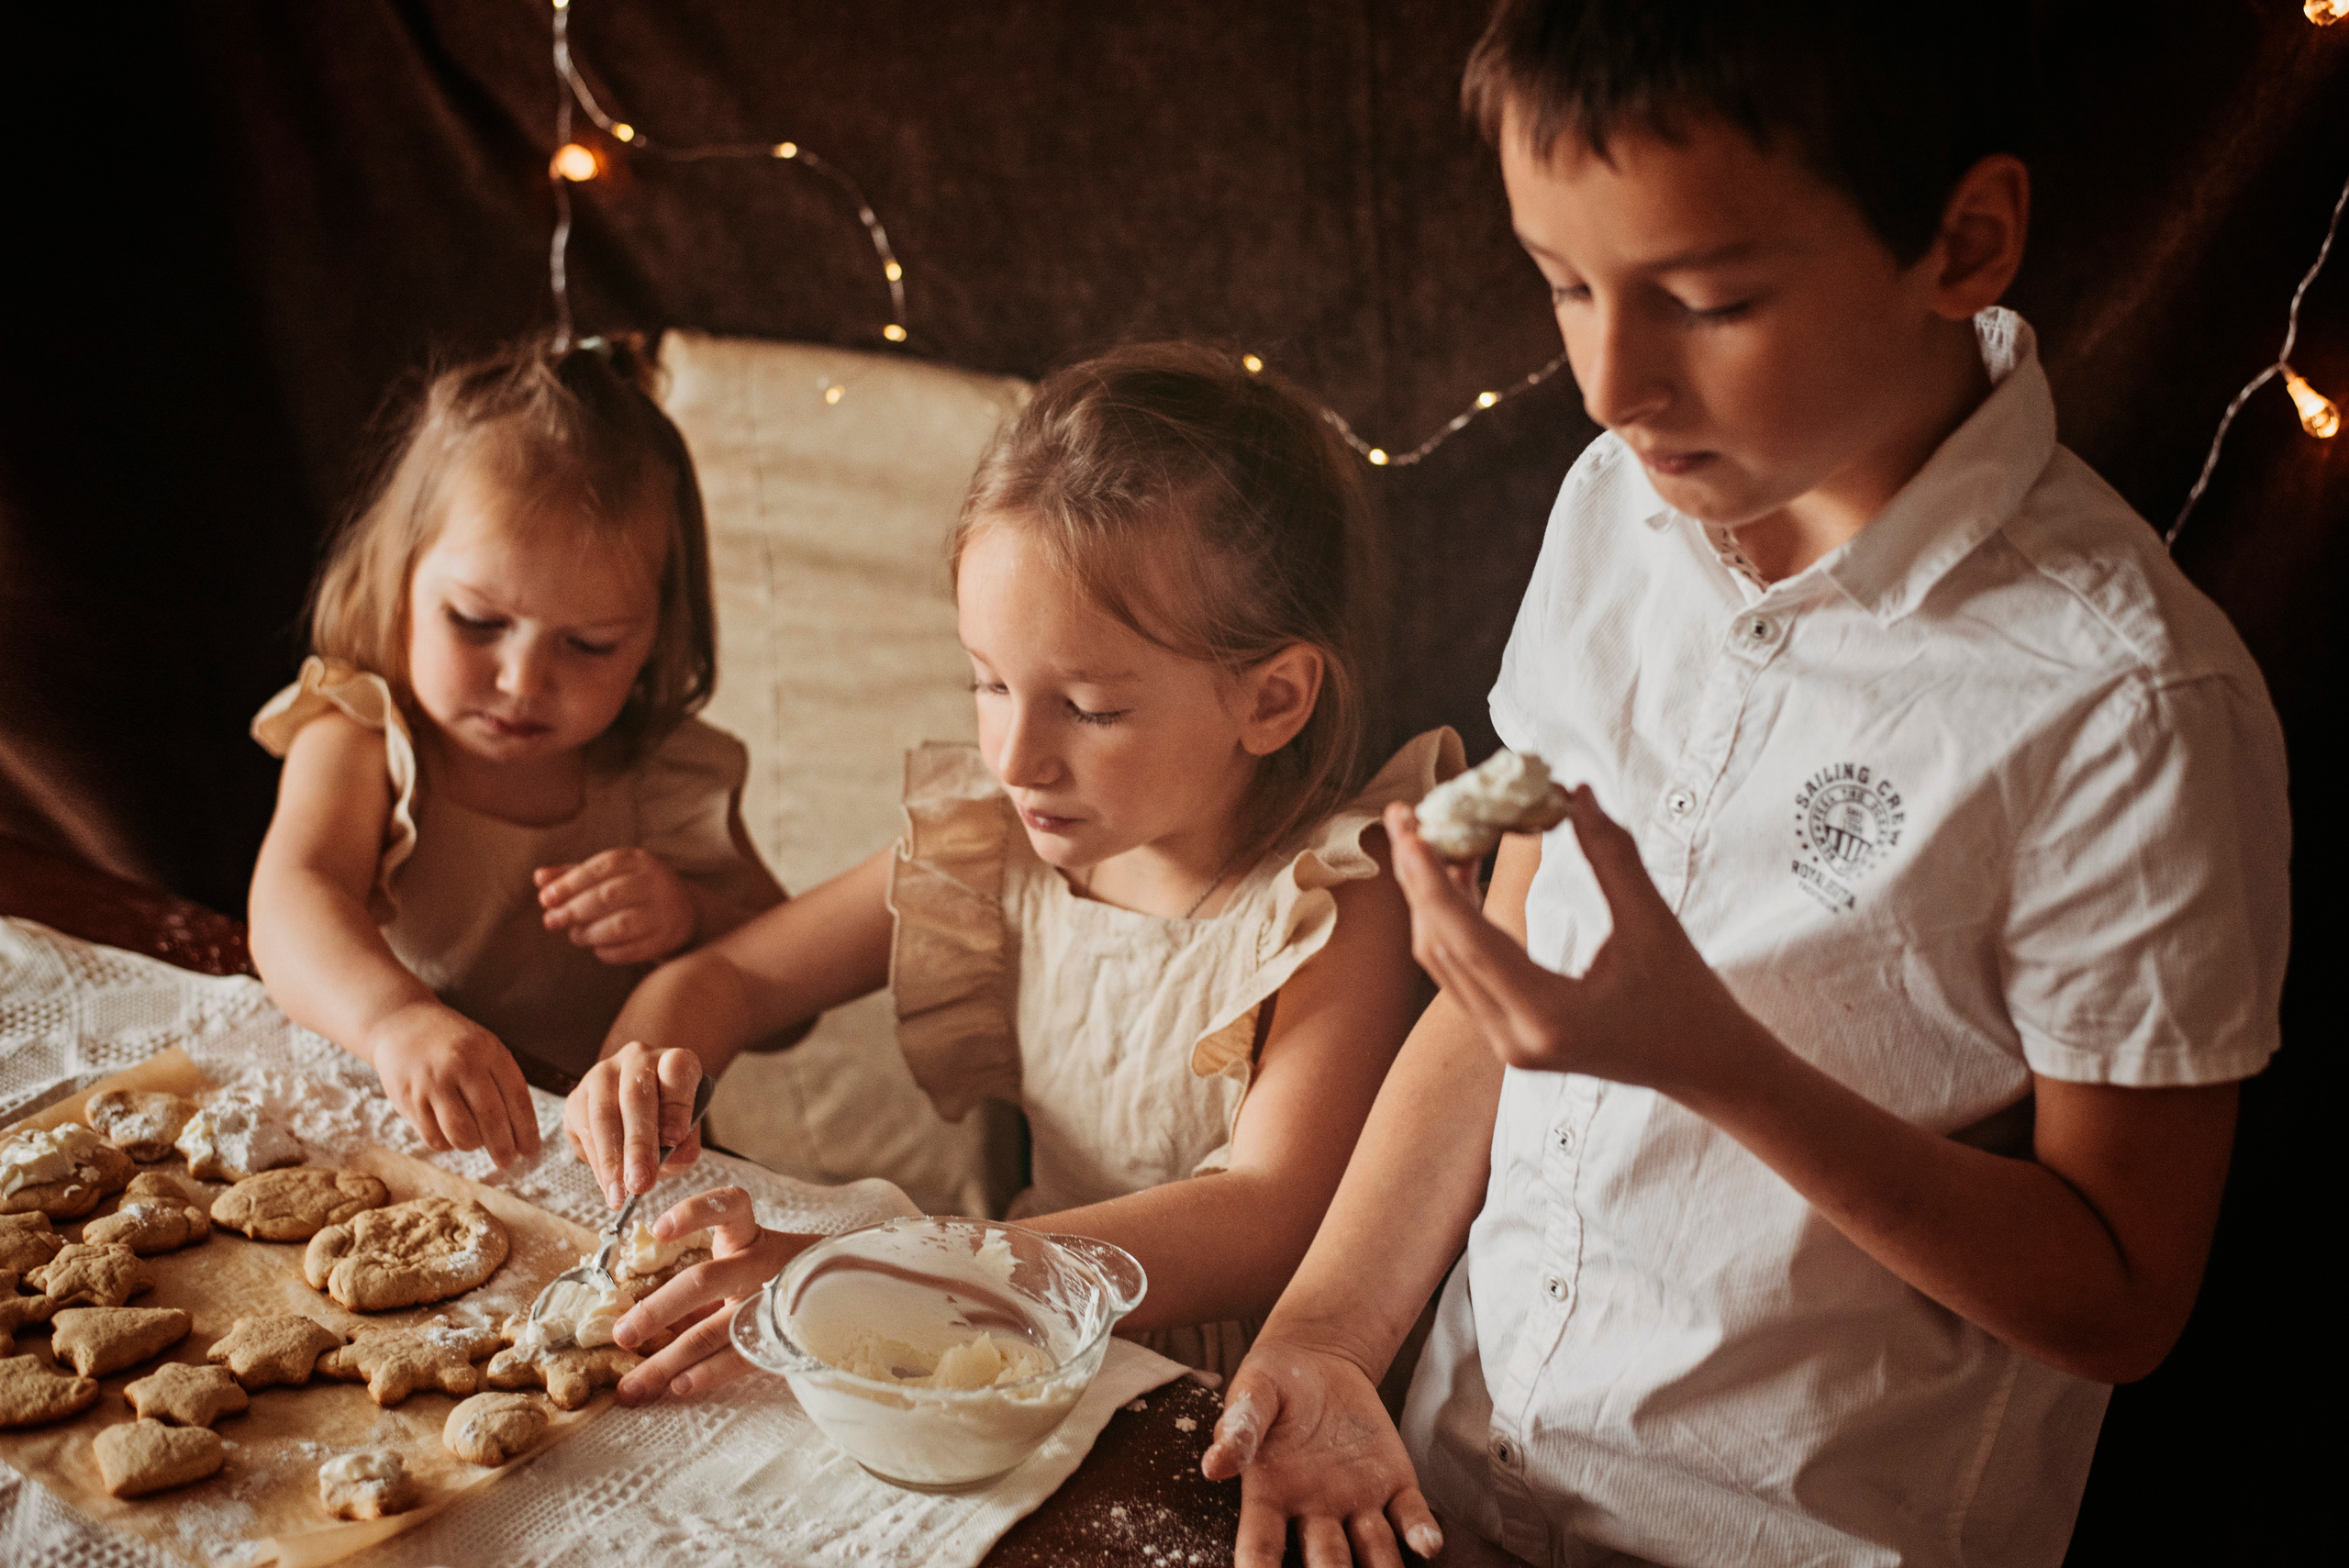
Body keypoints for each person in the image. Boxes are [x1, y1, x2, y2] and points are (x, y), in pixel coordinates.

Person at [1199, 3, 2291, 1565]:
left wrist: (1717, 1060)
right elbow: (1487, 1010)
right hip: (1454, 1487)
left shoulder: (2125, 706)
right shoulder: (1617, 509)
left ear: (1964, 241)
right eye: (1566, 284)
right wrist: (1326, 1332)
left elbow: (2122, 1296)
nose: (1609, 381)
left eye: (1706, 300)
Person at [566, 342, 1456, 1392]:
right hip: (1010, 1350)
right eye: (987, 684)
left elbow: (1267, 1214)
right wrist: (645, 1078)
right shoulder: (995, 845)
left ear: (1270, 700)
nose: (1014, 757)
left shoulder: (1336, 899)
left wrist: (871, 1271)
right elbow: (729, 977)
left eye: (1088, 708)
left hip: (1235, 1404)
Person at [248, 335, 783, 1169]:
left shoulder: (670, 778)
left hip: (614, 1170)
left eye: (590, 644)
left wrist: (693, 917)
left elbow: (791, 998)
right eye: (478, 622)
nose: (523, 680)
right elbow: (290, 900)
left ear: (655, 637)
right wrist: (396, 1019)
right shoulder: (363, 736)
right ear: (400, 582)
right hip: (397, 1142)